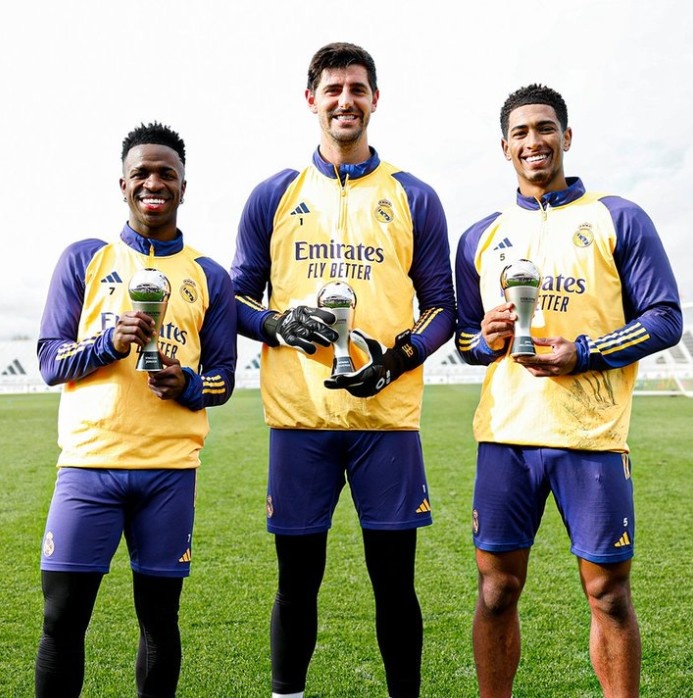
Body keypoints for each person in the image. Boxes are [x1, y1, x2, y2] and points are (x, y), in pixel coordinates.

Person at [230, 42, 455, 698]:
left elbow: (441, 307)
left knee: (395, 584)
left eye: (357, 89)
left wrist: (396, 361)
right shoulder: (274, 194)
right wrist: (277, 325)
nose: (345, 100)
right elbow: (235, 298)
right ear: (311, 100)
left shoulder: (413, 195)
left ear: (374, 99)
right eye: (332, 89)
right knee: (296, 583)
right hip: (301, 419)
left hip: (386, 421)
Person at [454, 83, 683, 697]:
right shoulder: (480, 234)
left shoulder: (618, 216)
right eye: (521, 132)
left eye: (545, 128)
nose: (534, 141)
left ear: (567, 136)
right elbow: (466, 341)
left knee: (608, 594)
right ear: (505, 147)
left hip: (592, 436)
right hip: (507, 436)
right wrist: (488, 338)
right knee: (496, 590)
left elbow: (665, 318)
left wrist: (582, 353)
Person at [34, 122, 237, 698]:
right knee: (62, 619)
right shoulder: (86, 258)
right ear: (122, 184)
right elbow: (49, 360)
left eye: (166, 174)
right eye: (141, 173)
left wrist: (187, 384)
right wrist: (108, 344)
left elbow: (224, 378)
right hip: (88, 467)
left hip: (168, 472)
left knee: (159, 622)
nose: (154, 183)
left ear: (183, 187)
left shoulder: (209, 275)